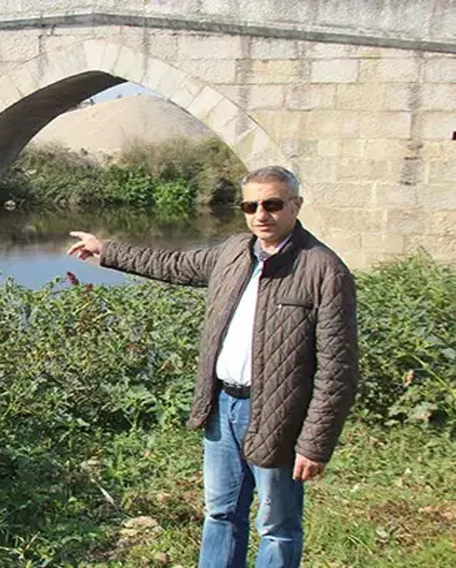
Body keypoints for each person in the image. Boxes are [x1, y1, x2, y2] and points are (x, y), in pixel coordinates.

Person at [68, 165, 359, 568]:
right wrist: (108, 251)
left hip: (279, 414)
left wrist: (315, 443)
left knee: (277, 525)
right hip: (222, 406)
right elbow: (173, 264)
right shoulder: (234, 252)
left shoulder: (323, 269)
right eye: (251, 205)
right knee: (221, 514)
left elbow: (337, 369)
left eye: (273, 204)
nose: (262, 214)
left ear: (295, 205)